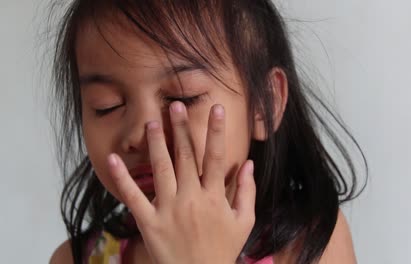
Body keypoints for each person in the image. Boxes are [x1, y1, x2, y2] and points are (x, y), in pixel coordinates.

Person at [48, 0, 367, 263]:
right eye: (107, 105)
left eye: (183, 98)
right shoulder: (73, 259)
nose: (139, 134)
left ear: (264, 105)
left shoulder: (308, 246)